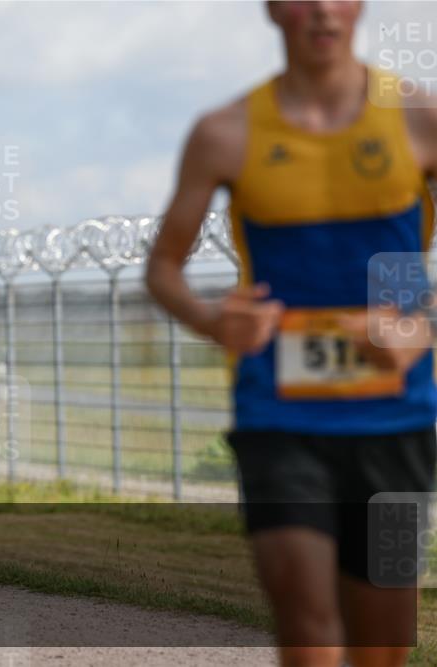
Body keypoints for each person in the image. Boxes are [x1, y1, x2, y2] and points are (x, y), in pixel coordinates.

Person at [146, 2, 436, 665]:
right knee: (307, 631)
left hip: (394, 422)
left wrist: (422, 326)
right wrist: (214, 318)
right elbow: (164, 267)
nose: (323, 10)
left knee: (382, 647)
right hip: (278, 416)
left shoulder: (418, 115)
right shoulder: (226, 131)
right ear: (274, 8)